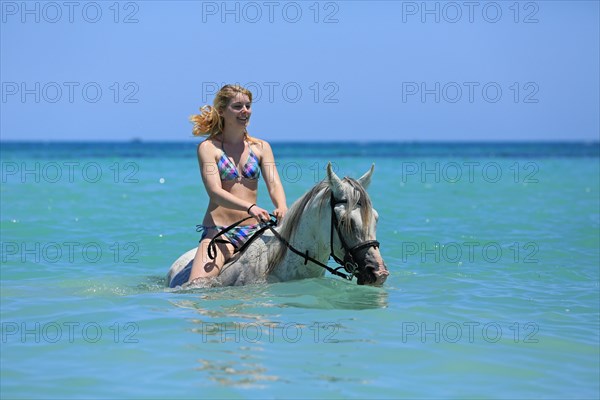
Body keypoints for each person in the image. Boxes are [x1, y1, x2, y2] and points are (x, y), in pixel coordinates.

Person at [185, 84, 287, 286]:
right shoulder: (208, 148)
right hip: (220, 231)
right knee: (196, 288)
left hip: (255, 231)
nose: (245, 111)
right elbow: (215, 193)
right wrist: (250, 207)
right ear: (222, 111)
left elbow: (274, 185)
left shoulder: (261, 147)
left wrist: (282, 206)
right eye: (238, 106)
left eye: (248, 106)